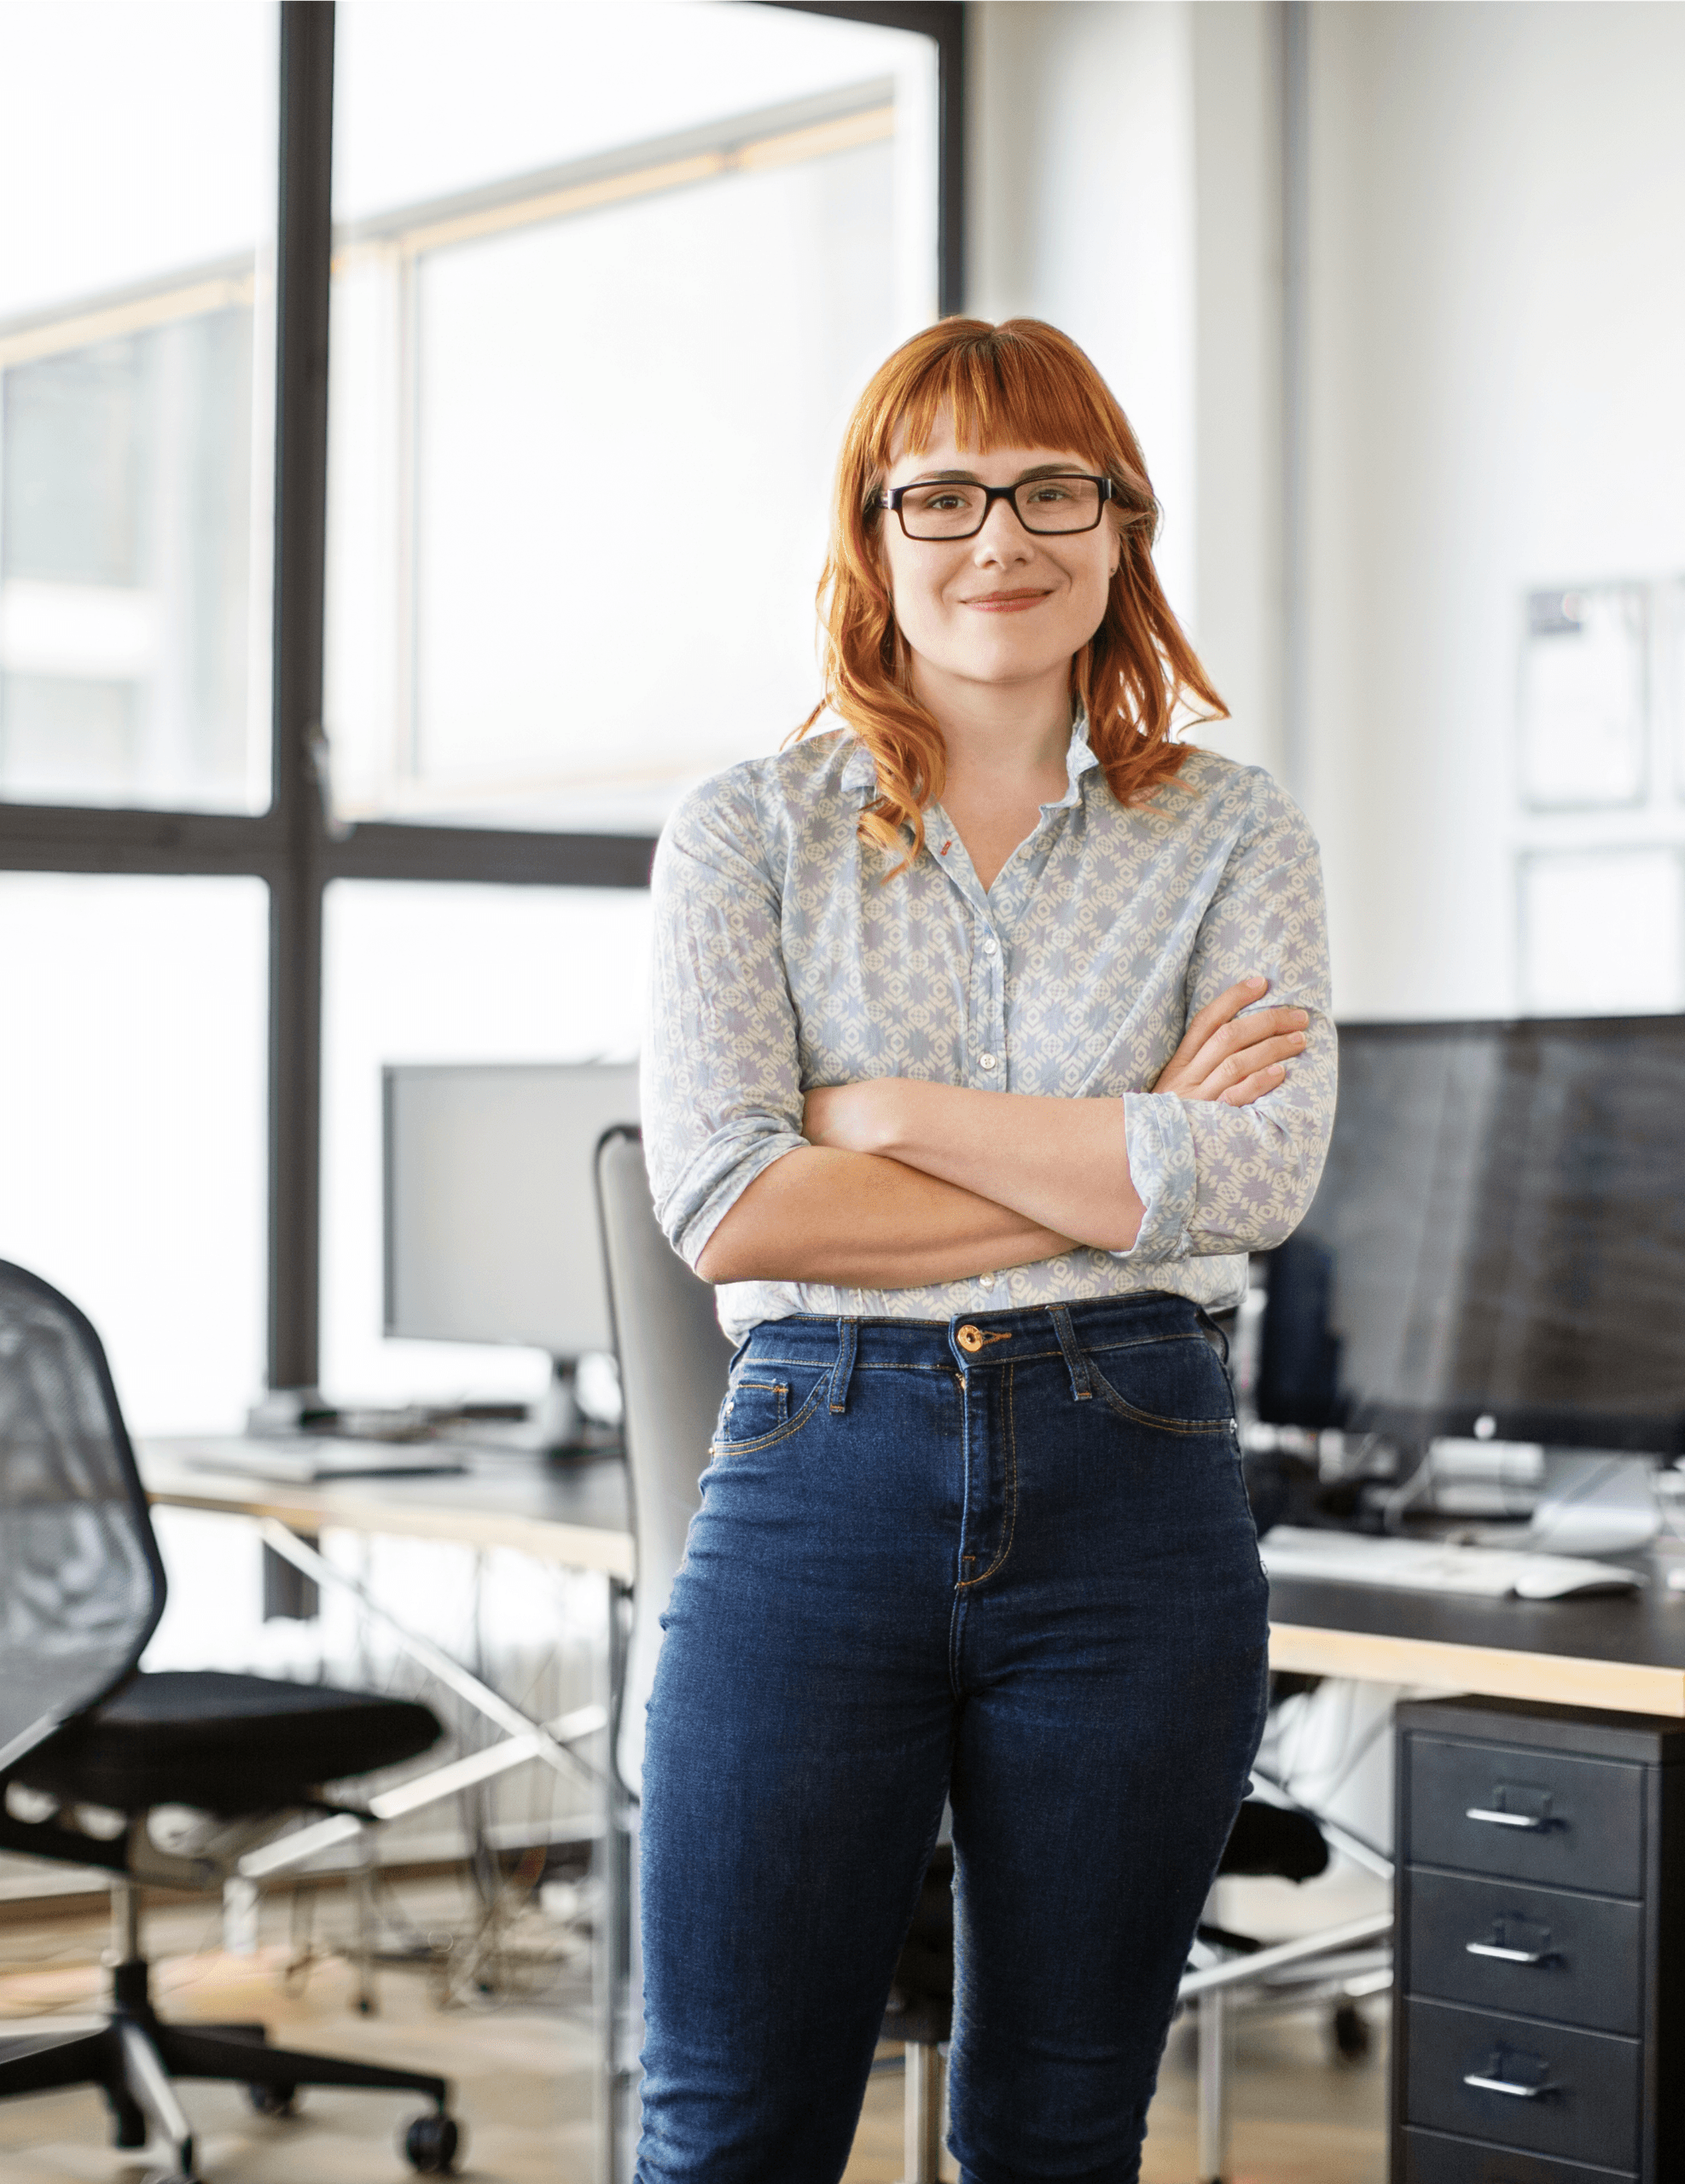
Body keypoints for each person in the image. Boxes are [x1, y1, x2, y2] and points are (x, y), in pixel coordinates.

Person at [634, 315, 1337, 2181]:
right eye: (938, 493)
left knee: (1059, 2124)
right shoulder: (746, 834)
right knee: (727, 2126)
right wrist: (1123, 1150)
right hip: (816, 1469)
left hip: (1138, 1483)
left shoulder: (1233, 830)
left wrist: (883, 1113)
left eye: (1049, 488)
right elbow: (728, 1205)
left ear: (1122, 527)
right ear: (874, 535)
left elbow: (1254, 1174)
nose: (996, 536)